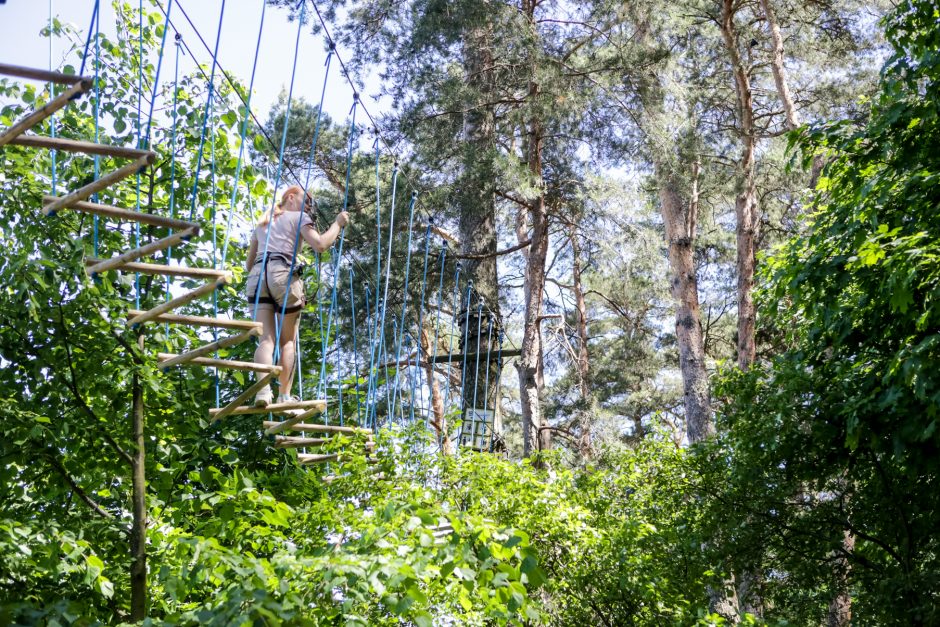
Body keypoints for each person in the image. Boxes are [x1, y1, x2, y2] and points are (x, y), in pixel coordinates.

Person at [245, 185, 349, 407]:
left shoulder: (263, 222)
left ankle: (262, 391)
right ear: (291, 198)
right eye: (307, 200)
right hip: (282, 274)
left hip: (256, 277)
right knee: (288, 342)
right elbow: (321, 244)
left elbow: (248, 264)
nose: (310, 206)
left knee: (266, 339)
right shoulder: (298, 217)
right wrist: (337, 224)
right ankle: (284, 396)